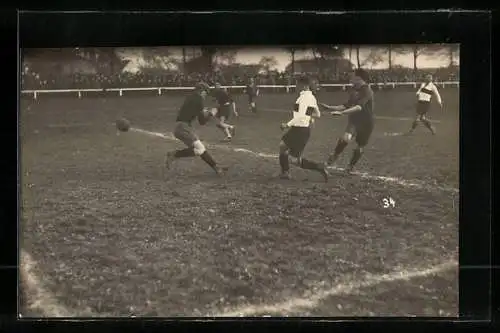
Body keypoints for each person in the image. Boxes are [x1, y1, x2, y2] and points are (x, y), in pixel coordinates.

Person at [319, 68, 375, 174]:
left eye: (353, 76)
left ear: (358, 78)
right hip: (354, 121)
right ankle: (333, 157)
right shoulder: (354, 90)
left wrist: (342, 113)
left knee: (360, 147)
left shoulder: (367, 90)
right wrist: (330, 107)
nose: (351, 78)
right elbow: (346, 105)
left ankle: (350, 167)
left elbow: (359, 107)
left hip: (366, 123)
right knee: (345, 139)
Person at [164, 82, 227, 175]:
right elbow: (202, 122)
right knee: (200, 149)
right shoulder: (198, 99)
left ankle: (217, 168)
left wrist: (204, 111)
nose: (206, 94)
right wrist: (211, 113)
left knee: (200, 148)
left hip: (182, 126)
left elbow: (194, 112)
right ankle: (174, 154)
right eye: (206, 92)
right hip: (183, 127)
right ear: (202, 91)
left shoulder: (191, 97)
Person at [278, 75, 329, 182]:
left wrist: (286, 125)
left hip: (300, 130)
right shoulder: (310, 97)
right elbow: (317, 114)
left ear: (304, 85)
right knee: (282, 146)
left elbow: (300, 116)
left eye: (298, 84)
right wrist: (309, 116)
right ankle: (285, 173)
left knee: (293, 160)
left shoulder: (305, 98)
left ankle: (319, 167)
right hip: (298, 129)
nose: (296, 86)